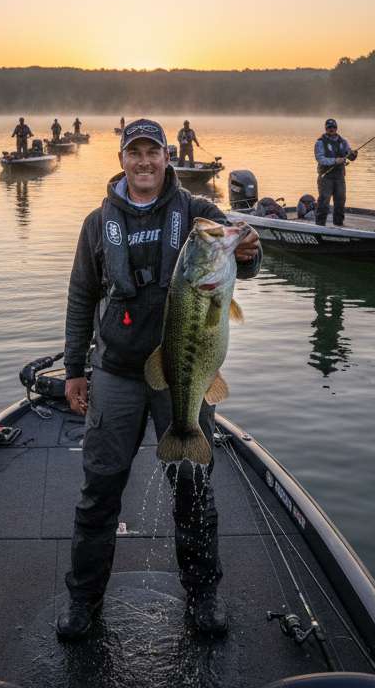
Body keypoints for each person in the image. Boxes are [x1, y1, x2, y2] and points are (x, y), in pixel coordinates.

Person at [58, 118, 261, 641]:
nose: (145, 161)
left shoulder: (199, 215)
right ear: (122, 159)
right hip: (118, 374)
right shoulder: (94, 223)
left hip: (184, 376)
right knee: (99, 489)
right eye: (135, 152)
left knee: (193, 488)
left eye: (154, 152)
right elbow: (82, 296)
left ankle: (203, 597)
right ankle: (83, 602)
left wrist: (250, 251)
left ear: (168, 157)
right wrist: (74, 369)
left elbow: (247, 259)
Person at [314, 118, 358, 226]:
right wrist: (335, 160)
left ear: (336, 128)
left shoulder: (344, 142)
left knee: (340, 201)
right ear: (326, 129)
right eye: (329, 128)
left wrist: (353, 155)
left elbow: (350, 156)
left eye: (333, 127)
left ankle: (338, 224)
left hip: (339, 177)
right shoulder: (320, 143)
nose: (331, 129)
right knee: (324, 202)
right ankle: (319, 225)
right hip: (325, 177)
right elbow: (320, 159)